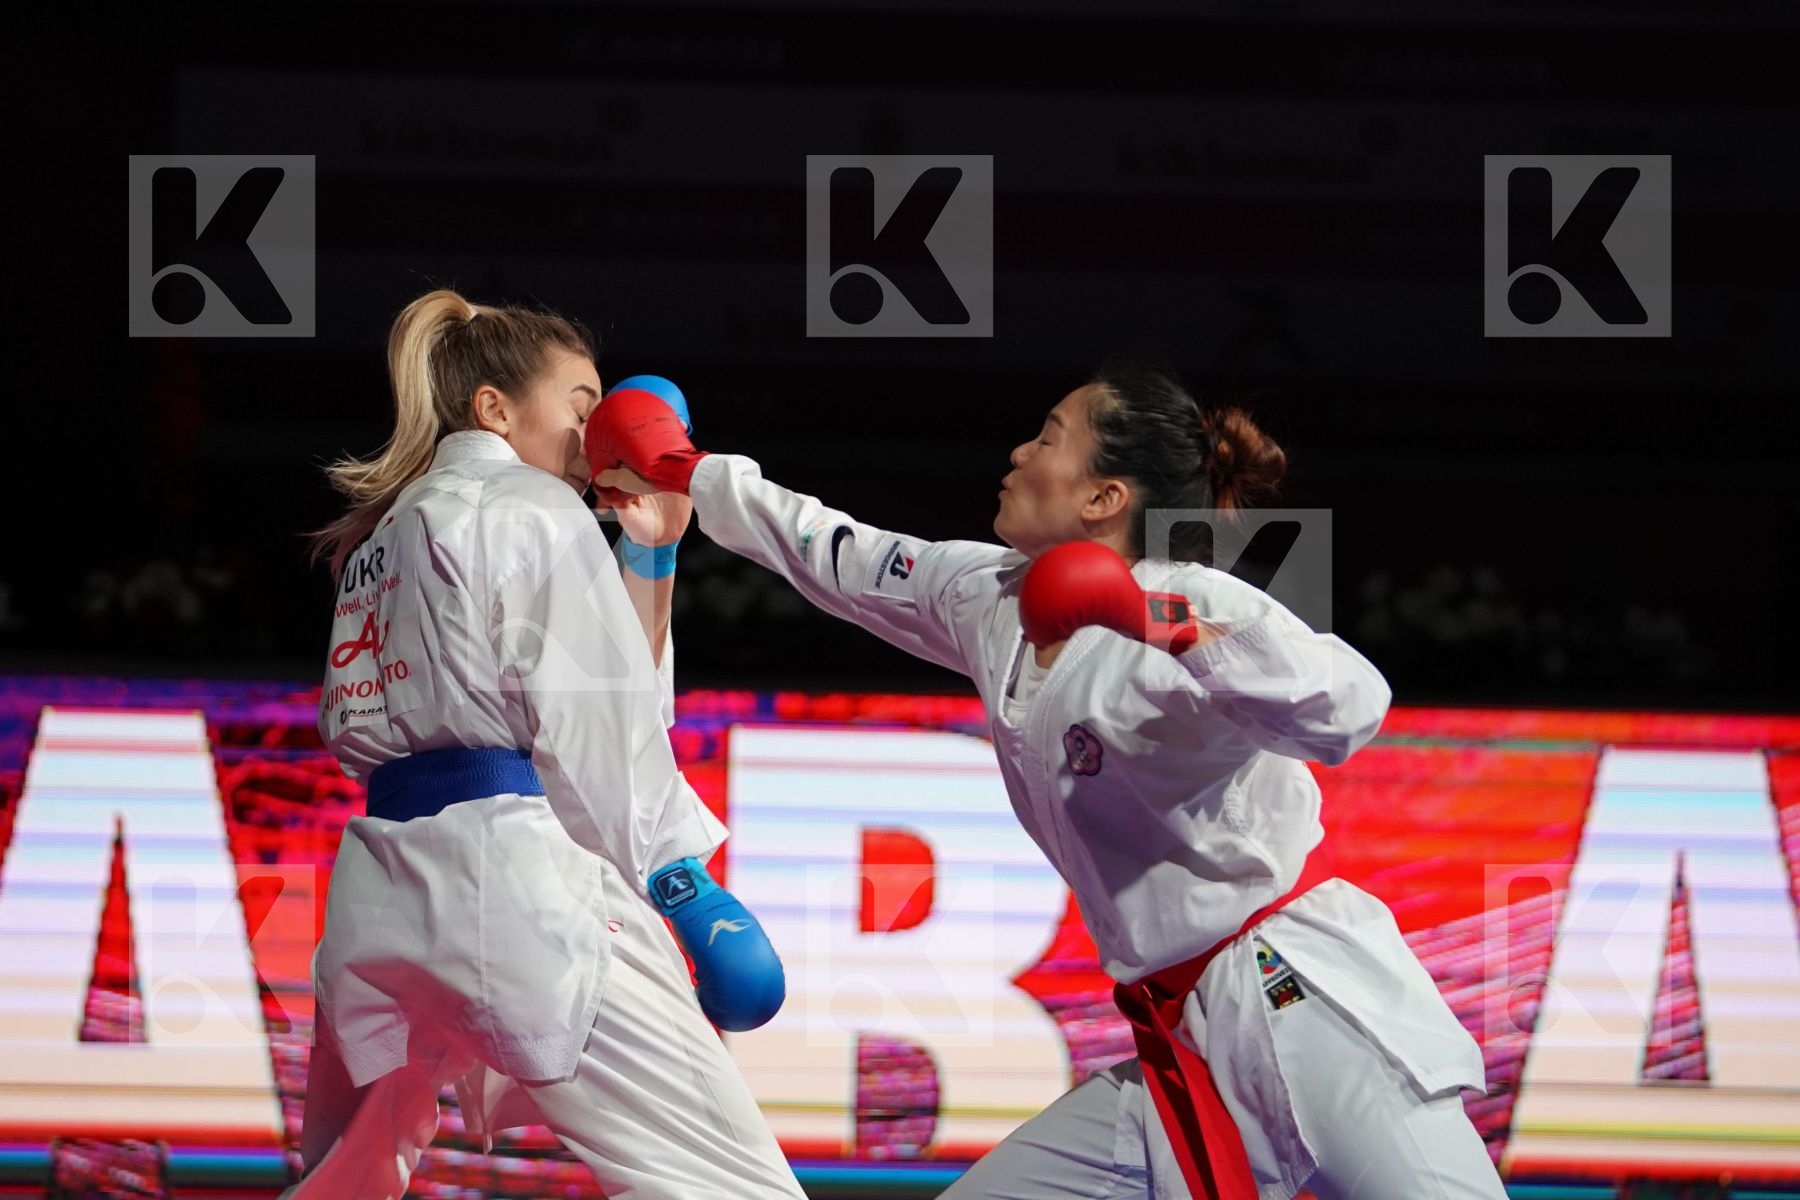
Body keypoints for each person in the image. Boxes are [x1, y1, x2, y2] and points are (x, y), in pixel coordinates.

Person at [588, 362, 1508, 1200]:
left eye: (1048, 436)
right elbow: (838, 552)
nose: (1020, 451)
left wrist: (1158, 621)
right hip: (1181, 1048)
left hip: (1304, 1004)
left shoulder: (1192, 596)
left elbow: (1351, 707)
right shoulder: (986, 594)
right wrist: (686, 468)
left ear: (1105, 495)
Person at [293, 288, 803, 1200]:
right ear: (494, 408)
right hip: (516, 888)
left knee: (342, 1183)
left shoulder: (379, 535)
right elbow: (600, 732)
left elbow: (588, 694)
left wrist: (651, 557)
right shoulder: (530, 503)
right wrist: (685, 887)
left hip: (379, 896)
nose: (600, 427)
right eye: (581, 403)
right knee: (732, 1187)